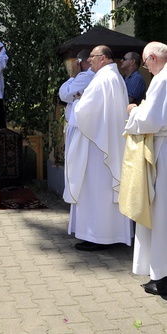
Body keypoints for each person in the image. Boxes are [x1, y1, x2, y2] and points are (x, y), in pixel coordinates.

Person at [66, 45, 133, 251]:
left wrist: (77, 101)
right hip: (105, 142)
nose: (89, 62)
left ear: (103, 58)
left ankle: (97, 236)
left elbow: (86, 111)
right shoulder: (113, 77)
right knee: (101, 190)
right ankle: (106, 234)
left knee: (95, 189)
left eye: (93, 58)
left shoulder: (103, 79)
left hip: (97, 147)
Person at [123, 42, 167, 295]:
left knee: (159, 210)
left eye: (145, 61)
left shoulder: (162, 80)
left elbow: (150, 119)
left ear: (151, 57)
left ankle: (162, 275)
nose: (145, 67)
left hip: (162, 148)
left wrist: (132, 109)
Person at [59, 49, 95, 204]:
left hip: (78, 127)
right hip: (80, 126)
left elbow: (63, 94)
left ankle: (74, 197)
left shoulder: (84, 76)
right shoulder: (92, 77)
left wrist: (73, 76)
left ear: (81, 63)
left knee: (75, 166)